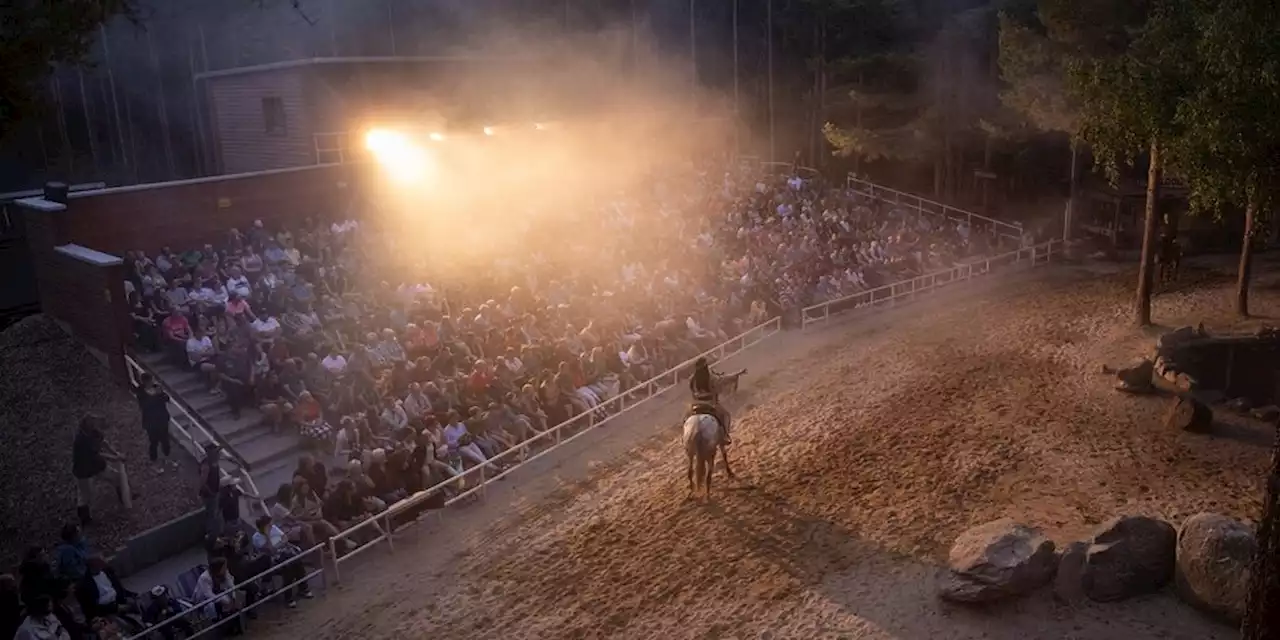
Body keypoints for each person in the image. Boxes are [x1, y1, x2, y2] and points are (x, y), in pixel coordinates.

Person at [71, 414, 133, 526]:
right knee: (85, 496)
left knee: (117, 478)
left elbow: (103, 443)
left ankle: (124, 497)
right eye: (92, 423)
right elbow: (97, 454)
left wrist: (116, 453)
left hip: (97, 465)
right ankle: (85, 519)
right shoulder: (81, 441)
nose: (95, 425)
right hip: (84, 470)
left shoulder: (93, 432)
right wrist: (115, 458)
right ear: (86, 426)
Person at [134, 373, 176, 470]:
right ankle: (154, 462)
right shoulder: (140, 392)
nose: (152, 382)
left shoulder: (157, 388)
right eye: (150, 381)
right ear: (145, 382)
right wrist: (156, 396)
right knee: (154, 442)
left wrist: (161, 393)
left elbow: (166, 399)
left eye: (152, 380)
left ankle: (167, 458)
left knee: (165, 440)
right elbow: (144, 406)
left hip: (162, 419)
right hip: (151, 422)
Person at [689, 357, 731, 445]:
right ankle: (725, 436)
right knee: (726, 415)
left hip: (696, 404)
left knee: (686, 419)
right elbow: (720, 383)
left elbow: (692, 391)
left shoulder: (692, 379)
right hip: (710, 403)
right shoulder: (710, 377)